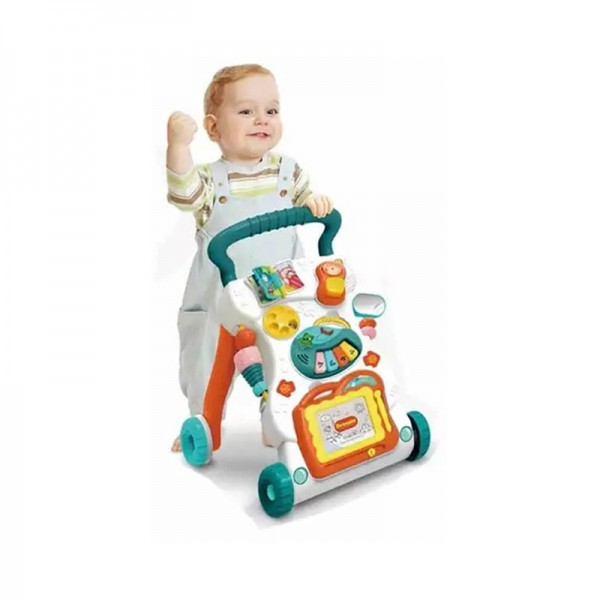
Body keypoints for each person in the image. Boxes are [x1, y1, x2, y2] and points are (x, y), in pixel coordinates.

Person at [166, 64, 334, 451]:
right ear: (213, 128)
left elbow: (306, 200)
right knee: (206, 359)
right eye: (246, 111)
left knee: (288, 354)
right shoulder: (209, 179)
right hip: (221, 298)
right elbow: (184, 197)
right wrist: (179, 147)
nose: (262, 119)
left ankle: (278, 418)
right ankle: (203, 421)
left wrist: (315, 202)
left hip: (282, 292)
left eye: (271, 111)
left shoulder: (288, 172)